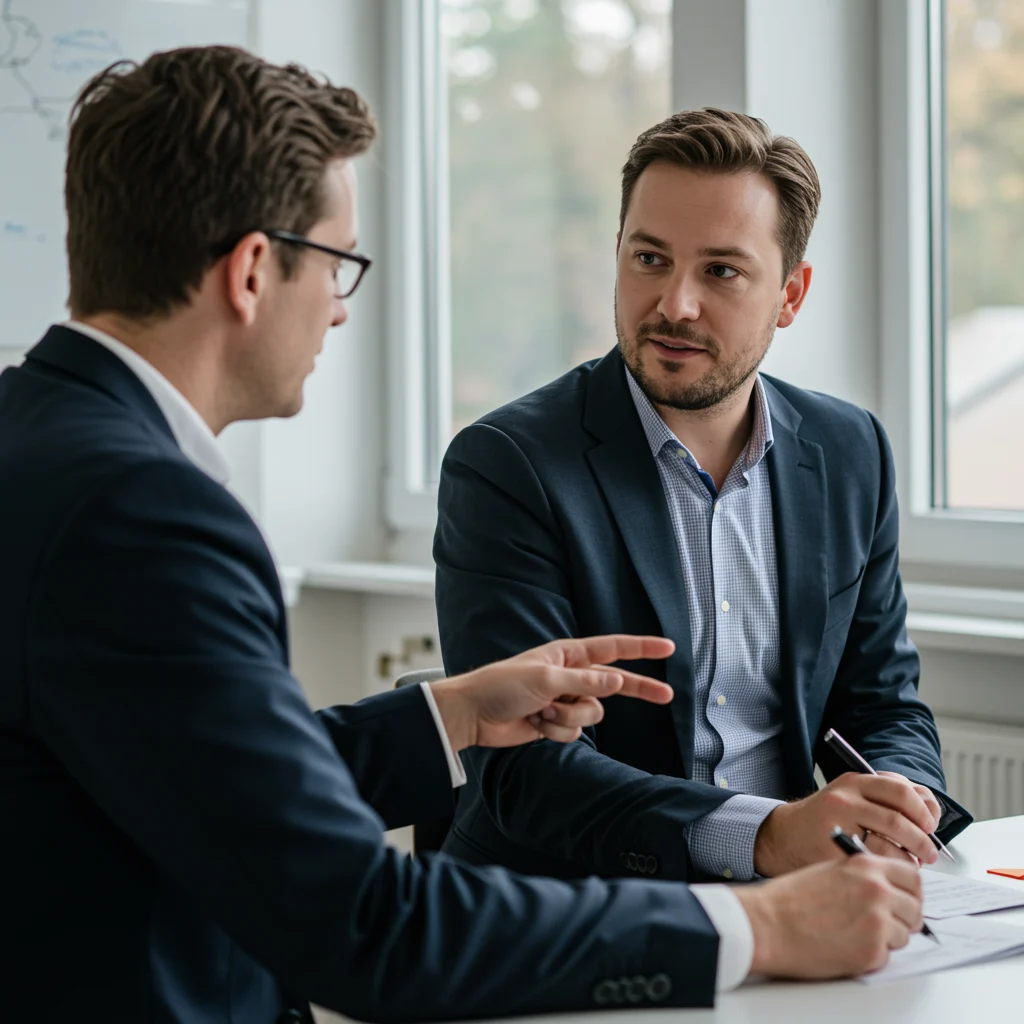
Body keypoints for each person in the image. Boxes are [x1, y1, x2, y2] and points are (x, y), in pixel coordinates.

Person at [0, 51, 927, 1024]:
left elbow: (195, 769)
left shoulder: (37, 434)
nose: (341, 306)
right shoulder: (147, 513)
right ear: (252, 271)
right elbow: (367, 923)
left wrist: (439, 718)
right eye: (339, 262)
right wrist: (759, 930)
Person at [434, 107, 972, 886]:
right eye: (649, 258)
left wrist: (899, 801)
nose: (675, 304)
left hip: (792, 901)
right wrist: (767, 836)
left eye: (720, 271)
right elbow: (528, 776)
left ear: (790, 295)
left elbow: (882, 703)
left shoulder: (852, 451)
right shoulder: (508, 465)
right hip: (566, 911)